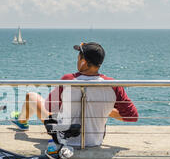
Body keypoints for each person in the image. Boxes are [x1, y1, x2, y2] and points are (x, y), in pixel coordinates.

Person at [10, 42, 138, 147]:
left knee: (31, 97)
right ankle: (21, 120)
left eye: (79, 56)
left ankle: (21, 121)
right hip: (95, 141)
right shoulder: (113, 85)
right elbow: (132, 116)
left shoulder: (68, 80)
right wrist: (102, 108)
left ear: (84, 62)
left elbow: (49, 108)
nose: (77, 59)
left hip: (65, 139)